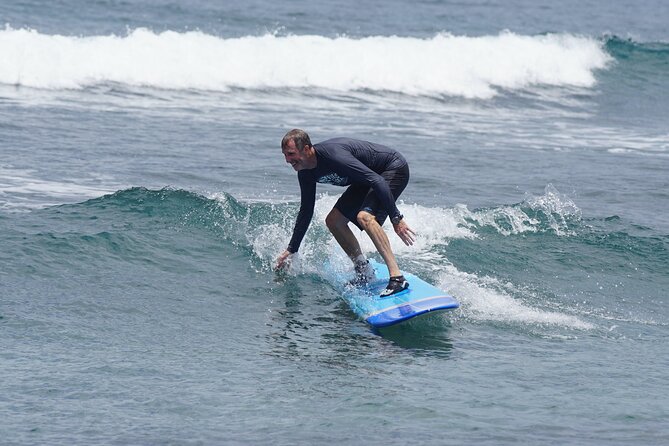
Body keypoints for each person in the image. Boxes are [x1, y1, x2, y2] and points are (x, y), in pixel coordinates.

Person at [275, 129, 416, 297]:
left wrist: (396, 218)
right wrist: (292, 248)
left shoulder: (334, 156)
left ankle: (398, 278)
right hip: (366, 179)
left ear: (306, 149)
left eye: (291, 154)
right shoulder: (305, 172)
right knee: (333, 221)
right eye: (285, 155)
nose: (287, 160)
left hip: (391, 169)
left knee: (364, 217)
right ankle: (364, 272)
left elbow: (377, 180)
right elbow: (306, 210)